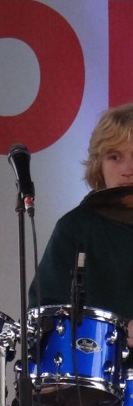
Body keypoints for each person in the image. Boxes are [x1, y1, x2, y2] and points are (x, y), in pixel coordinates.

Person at [29, 103, 133, 334]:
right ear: (98, 165)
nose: (127, 169)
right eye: (115, 157)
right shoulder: (74, 228)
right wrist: (119, 329)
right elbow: (42, 313)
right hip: (97, 356)